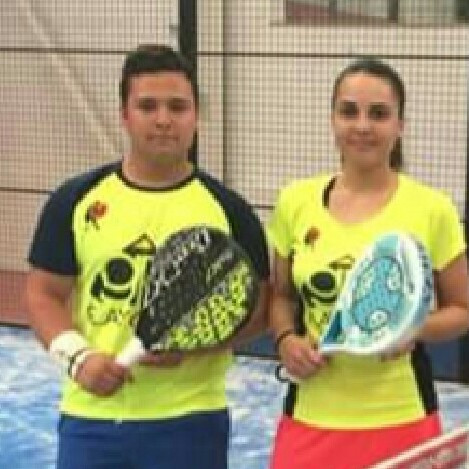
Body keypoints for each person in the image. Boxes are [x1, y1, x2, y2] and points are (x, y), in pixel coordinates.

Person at [25, 44, 269, 469]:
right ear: (124, 114)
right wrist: (79, 358)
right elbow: (42, 293)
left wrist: (194, 348)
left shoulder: (229, 210)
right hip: (91, 419)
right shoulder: (75, 200)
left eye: (177, 107)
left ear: (196, 115)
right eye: (147, 106)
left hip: (191, 420)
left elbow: (259, 309)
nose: (163, 120)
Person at [267, 57, 469, 469]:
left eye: (378, 114)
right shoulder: (295, 201)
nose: (362, 126)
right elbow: (281, 296)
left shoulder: (433, 209)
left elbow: (462, 309)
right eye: (349, 112)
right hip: (310, 415)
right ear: (332, 120)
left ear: (400, 125)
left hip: (402, 418)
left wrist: (409, 328)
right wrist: (286, 339)